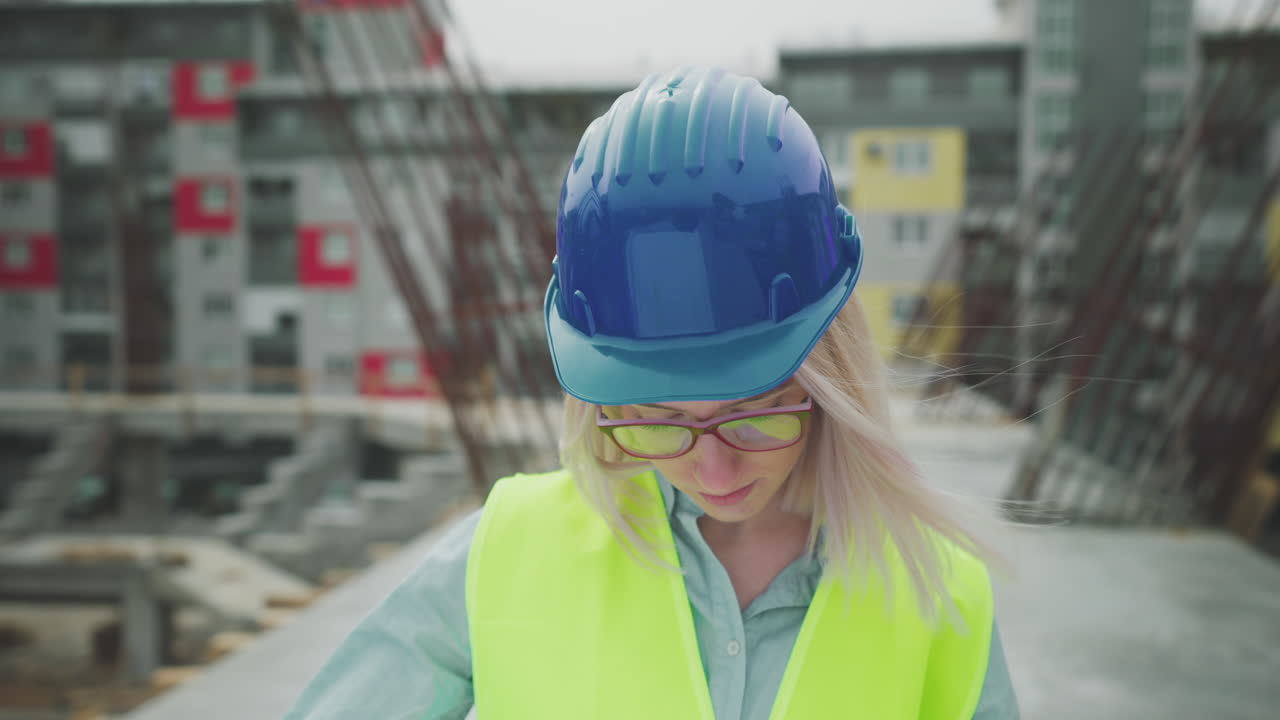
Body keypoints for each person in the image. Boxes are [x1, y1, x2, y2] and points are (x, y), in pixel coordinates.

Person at [284, 66, 1019, 720]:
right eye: (658, 420)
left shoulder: (942, 600)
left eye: (753, 413)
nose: (714, 469)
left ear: (831, 372)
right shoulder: (504, 557)